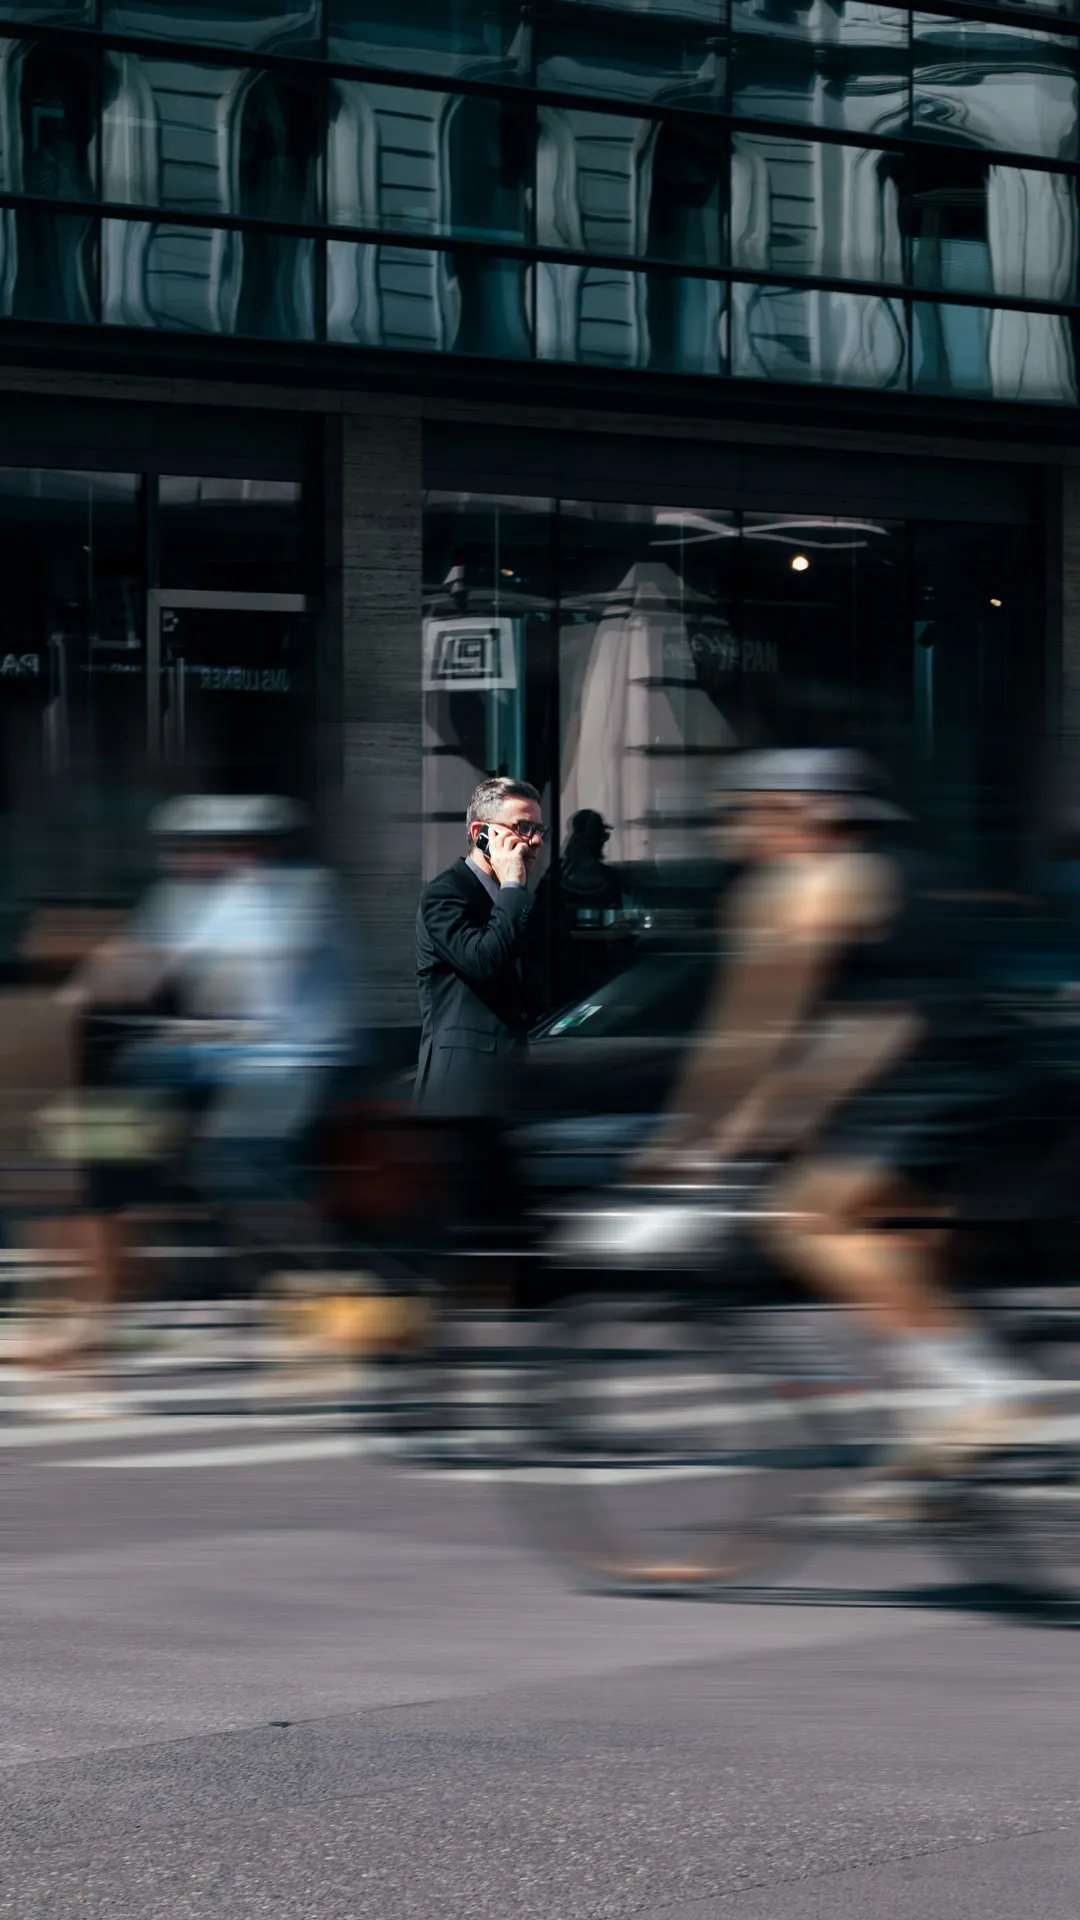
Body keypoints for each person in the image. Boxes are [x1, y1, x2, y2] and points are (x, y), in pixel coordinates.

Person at [637, 748, 1037, 1481]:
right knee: (896, 1266)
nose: (734, 828)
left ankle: (980, 1392)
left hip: (930, 1084)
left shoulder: (809, 885)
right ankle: (942, 1455)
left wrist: (689, 1136)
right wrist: (766, 1116)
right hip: (991, 1076)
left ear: (802, 813)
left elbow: (750, 1031)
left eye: (748, 810)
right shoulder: (915, 870)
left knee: (804, 1222)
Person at [415, 776, 547, 1116]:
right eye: (522, 827)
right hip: (461, 1091)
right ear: (480, 833)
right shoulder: (445, 895)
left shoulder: (518, 900)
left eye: (539, 830)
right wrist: (512, 885)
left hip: (513, 1087)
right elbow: (484, 961)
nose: (534, 840)